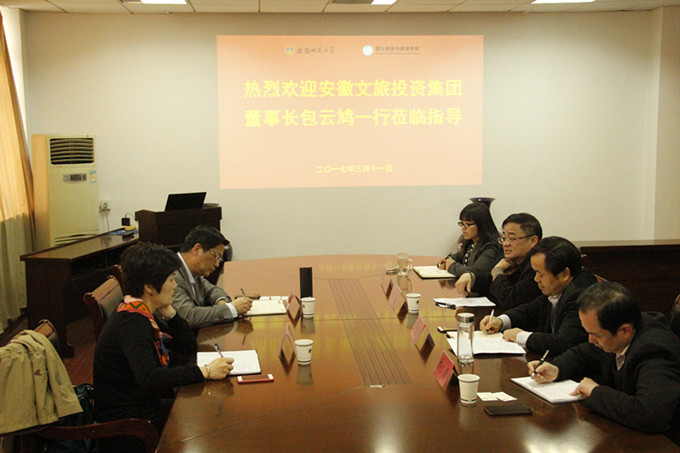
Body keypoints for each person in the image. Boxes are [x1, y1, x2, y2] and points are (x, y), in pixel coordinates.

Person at [93, 243, 234, 453]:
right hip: (130, 425)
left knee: (211, 410)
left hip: (146, 407)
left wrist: (171, 313)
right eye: (171, 280)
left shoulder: (141, 311)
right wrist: (205, 371)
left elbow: (188, 346)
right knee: (209, 420)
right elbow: (150, 378)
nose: (175, 286)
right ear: (150, 287)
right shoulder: (132, 324)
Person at [529, 282, 680, 444]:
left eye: (596, 335)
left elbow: (649, 414)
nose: (590, 340)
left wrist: (595, 392)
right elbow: (584, 353)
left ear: (625, 331)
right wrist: (557, 369)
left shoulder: (656, 351)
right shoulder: (617, 329)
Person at [480, 236, 596, 356]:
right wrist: (501, 321)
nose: (536, 279)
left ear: (564, 274)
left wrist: (521, 336)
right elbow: (531, 309)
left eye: (540, 274)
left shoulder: (581, 296)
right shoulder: (557, 287)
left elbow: (564, 342)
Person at [456, 213, 542, 309]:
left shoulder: (536, 268)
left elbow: (509, 300)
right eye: (504, 238)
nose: (505, 244)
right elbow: (490, 281)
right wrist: (472, 277)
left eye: (512, 239)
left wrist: (497, 271)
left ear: (533, 241)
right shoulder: (510, 260)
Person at [173, 225, 253, 329]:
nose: (217, 264)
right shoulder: (172, 274)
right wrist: (231, 309)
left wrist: (221, 301)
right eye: (216, 256)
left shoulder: (193, 272)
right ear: (197, 250)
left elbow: (212, 290)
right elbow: (188, 316)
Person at [436, 202, 502, 296]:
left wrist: (451, 266)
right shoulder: (471, 242)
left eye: (468, 224)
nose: (463, 228)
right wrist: (445, 261)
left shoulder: (491, 247)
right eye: (462, 224)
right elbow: (456, 257)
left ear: (481, 225)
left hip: (484, 297)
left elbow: (475, 272)